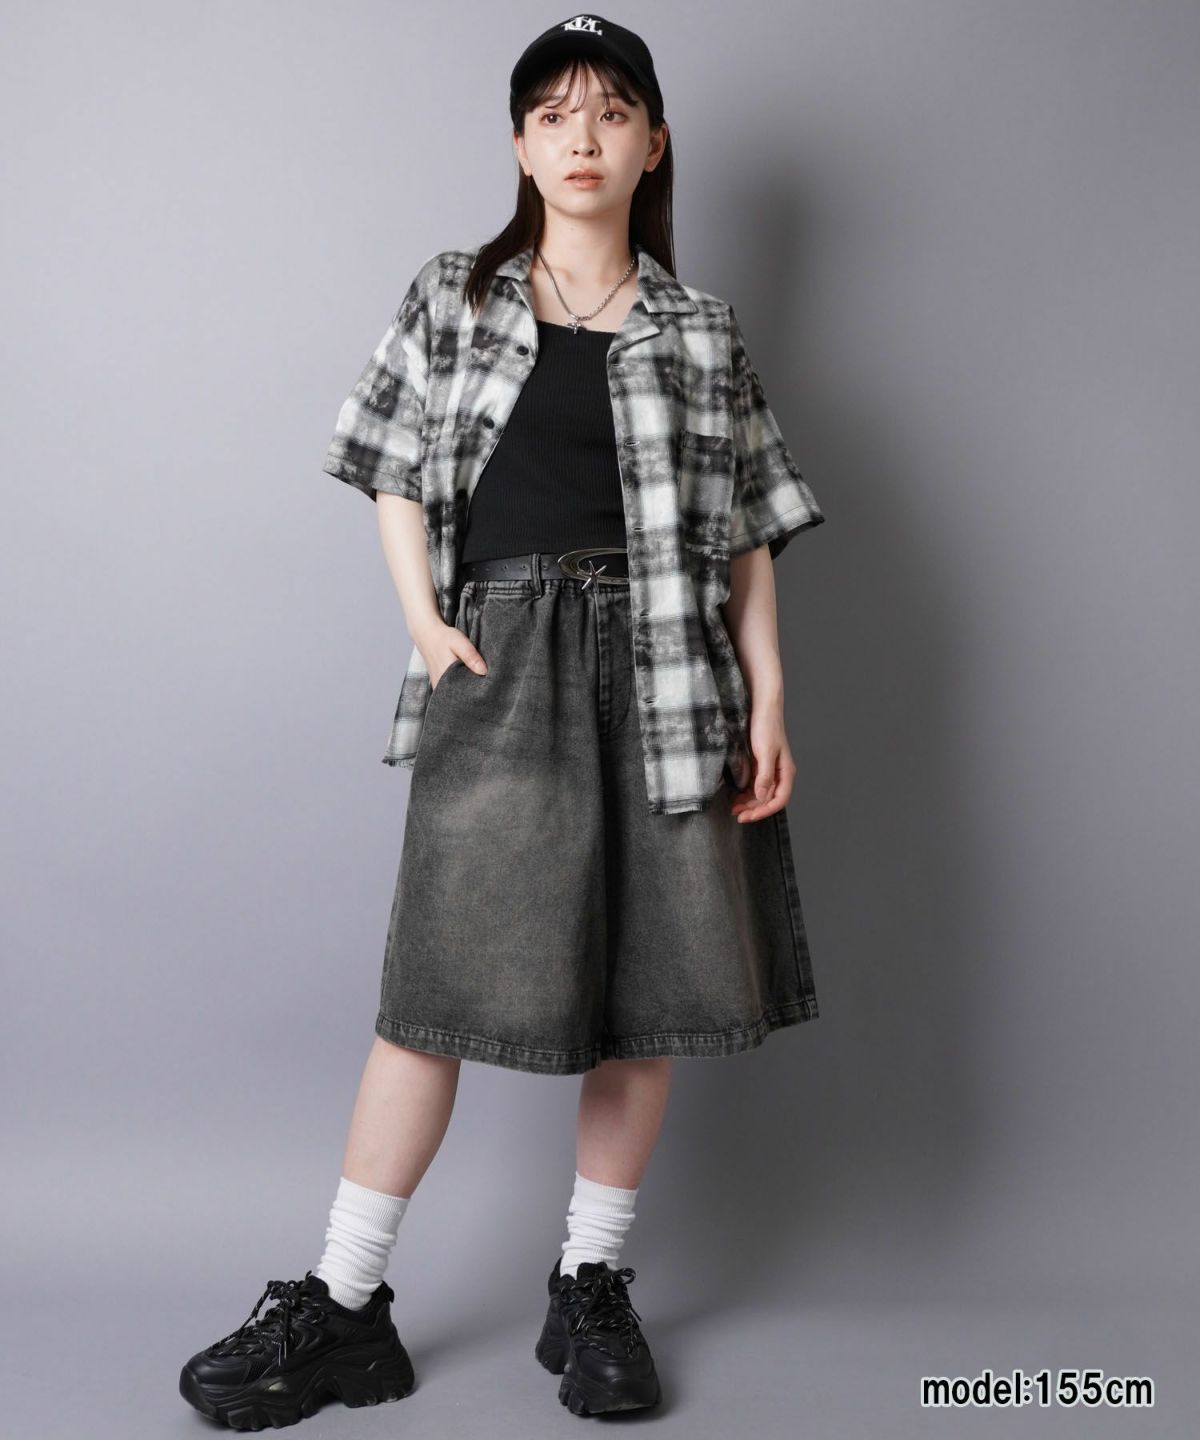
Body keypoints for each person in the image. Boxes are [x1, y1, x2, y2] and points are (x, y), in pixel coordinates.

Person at [179, 12, 826, 1429]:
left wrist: (770, 694)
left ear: (653, 143)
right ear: (521, 147)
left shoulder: (701, 330)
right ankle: (346, 1301)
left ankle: (590, 1281)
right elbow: (390, 467)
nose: (582, 137)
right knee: (434, 995)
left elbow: (746, 535)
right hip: (505, 652)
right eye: (553, 114)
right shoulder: (453, 293)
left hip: (670, 669)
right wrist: (427, 624)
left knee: (651, 989)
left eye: (611, 112)